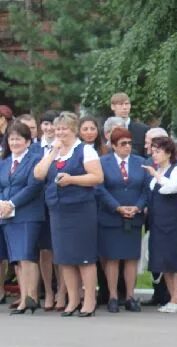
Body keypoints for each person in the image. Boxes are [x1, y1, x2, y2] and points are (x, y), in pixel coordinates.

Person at [32, 112, 104, 317]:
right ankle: (72, 300)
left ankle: (88, 300)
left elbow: (97, 177)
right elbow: (38, 174)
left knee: (84, 257)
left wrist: (72, 179)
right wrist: (53, 151)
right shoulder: (54, 151)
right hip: (58, 211)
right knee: (64, 258)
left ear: (73, 129)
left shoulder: (85, 150)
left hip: (81, 210)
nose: (60, 132)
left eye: (64, 128)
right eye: (58, 129)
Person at [95, 127, 149, 313]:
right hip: (111, 216)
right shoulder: (103, 162)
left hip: (133, 216)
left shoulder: (140, 162)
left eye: (129, 143)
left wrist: (138, 206)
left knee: (131, 258)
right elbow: (99, 188)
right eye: (122, 144)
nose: (127, 147)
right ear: (114, 146)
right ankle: (112, 296)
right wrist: (116, 207)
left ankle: (130, 296)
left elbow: (146, 188)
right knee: (112, 258)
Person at [0, 121, 45, 314]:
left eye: (18, 139)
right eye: (11, 139)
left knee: (27, 256)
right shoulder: (5, 162)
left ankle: (30, 298)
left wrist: (12, 203)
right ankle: (24, 297)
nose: (15, 142)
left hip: (27, 213)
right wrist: (2, 203)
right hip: (7, 215)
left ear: (28, 141)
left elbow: (33, 186)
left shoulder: (35, 159)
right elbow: (2, 187)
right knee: (17, 259)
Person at [144, 135, 177, 313]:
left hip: (175, 222)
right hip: (158, 222)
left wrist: (156, 175)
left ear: (168, 152)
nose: (154, 155)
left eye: (158, 151)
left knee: (176, 260)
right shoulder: (157, 172)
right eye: (153, 151)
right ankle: (172, 298)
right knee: (164, 261)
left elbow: (172, 188)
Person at [139, 127, 171, 308]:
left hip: (166, 219)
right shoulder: (148, 163)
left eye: (150, 143)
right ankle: (158, 292)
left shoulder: (174, 165)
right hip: (151, 215)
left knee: (165, 254)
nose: (146, 146)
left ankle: (168, 293)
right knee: (153, 253)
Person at [35, 110, 60, 310]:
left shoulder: (64, 148)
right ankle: (48, 292)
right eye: (45, 124)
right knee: (45, 250)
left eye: (52, 124)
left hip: (59, 203)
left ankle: (62, 290)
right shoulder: (34, 148)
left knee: (60, 248)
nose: (49, 128)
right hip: (38, 205)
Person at [110, 92, 149, 158]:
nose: (125, 107)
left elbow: (148, 155)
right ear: (113, 106)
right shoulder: (105, 130)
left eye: (127, 104)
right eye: (121, 104)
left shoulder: (142, 130)